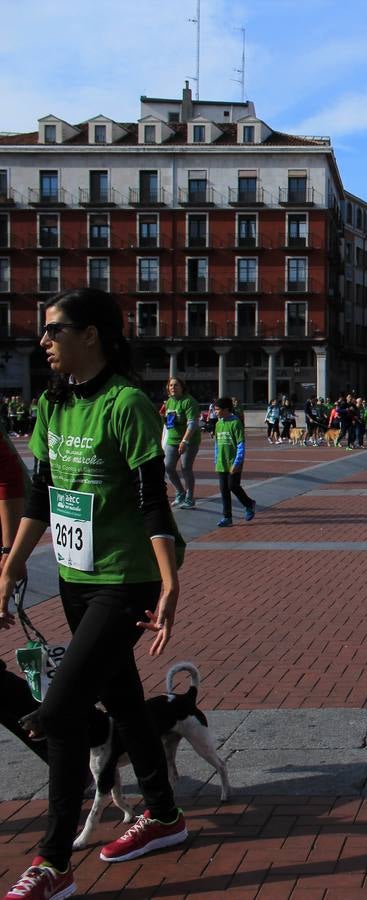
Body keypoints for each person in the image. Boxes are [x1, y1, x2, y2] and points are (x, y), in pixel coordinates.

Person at [0, 288, 189, 900]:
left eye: (54, 330)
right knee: (125, 700)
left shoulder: (127, 403)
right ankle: (163, 814)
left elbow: (151, 498)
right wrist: (11, 565)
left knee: (60, 712)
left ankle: (54, 863)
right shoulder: (52, 406)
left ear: (93, 336)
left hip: (124, 579)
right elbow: (40, 498)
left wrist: (169, 579)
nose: (44, 341)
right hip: (76, 580)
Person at [212, 396, 256, 527]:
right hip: (221, 462)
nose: (215, 412)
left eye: (218, 409)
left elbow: (241, 444)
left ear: (226, 409)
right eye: (215, 409)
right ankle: (227, 516)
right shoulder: (218, 424)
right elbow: (216, 444)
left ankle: (249, 504)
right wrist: (216, 459)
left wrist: (237, 462)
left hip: (234, 462)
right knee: (224, 489)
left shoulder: (235, 422)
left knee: (233, 486)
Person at [161, 377, 201, 510]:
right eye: (170, 385)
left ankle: (190, 498)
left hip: (189, 440)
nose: (173, 387)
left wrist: (185, 441)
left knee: (185, 468)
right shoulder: (169, 402)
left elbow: (192, 423)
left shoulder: (189, 401)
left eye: (176, 385)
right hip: (172, 439)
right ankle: (180, 492)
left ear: (182, 387)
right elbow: (168, 423)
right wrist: (162, 416)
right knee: (168, 467)